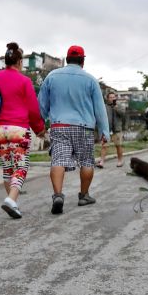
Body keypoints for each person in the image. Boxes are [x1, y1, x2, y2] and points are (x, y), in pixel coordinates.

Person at [38, 45, 110, 215]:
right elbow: (100, 109)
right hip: (84, 128)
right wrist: (104, 132)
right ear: (83, 61)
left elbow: (41, 104)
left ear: (67, 59)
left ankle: (57, 195)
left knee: (58, 160)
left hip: (59, 126)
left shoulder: (52, 76)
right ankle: (84, 196)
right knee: (86, 161)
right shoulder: (91, 80)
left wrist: (39, 123)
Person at [0, 42, 46, 219]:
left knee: (7, 168)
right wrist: (39, 128)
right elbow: (32, 109)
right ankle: (12, 200)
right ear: (20, 62)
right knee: (21, 167)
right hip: (18, 129)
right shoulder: (24, 81)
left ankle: (12, 203)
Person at [98, 91, 128, 168]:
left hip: (117, 129)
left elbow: (123, 114)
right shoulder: (104, 106)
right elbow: (100, 116)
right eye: (110, 97)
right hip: (106, 129)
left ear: (115, 98)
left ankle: (120, 160)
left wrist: (115, 107)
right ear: (107, 99)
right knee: (104, 146)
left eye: (113, 97)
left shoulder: (119, 105)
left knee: (118, 146)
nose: (112, 99)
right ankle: (101, 162)